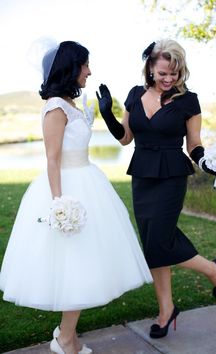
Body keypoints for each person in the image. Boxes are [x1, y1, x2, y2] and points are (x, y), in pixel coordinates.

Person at [0, 40, 152, 354]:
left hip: (89, 182)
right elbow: (52, 158)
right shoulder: (55, 107)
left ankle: (67, 335)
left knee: (84, 265)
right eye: (85, 65)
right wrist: (60, 204)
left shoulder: (71, 104)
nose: (90, 71)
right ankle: (65, 338)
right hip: (67, 190)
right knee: (75, 266)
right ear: (72, 67)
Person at [96, 39, 216, 339]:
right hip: (142, 174)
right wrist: (107, 114)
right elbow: (125, 138)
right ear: (150, 69)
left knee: (159, 240)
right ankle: (166, 310)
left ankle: (212, 270)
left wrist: (206, 162)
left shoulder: (189, 101)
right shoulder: (134, 95)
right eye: (163, 73)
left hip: (171, 174)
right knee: (154, 242)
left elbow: (194, 143)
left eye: (175, 74)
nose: (169, 79)